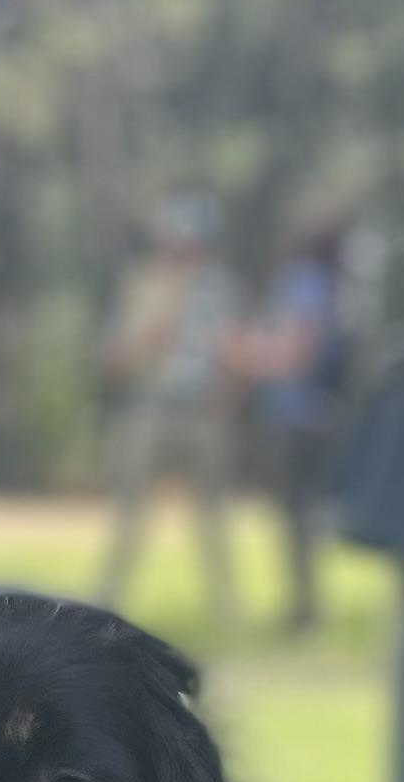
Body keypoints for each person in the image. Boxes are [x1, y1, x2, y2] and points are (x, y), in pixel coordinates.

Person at [98, 193, 242, 628]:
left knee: (213, 513)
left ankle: (225, 604)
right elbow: (111, 357)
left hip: (203, 411)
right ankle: (107, 597)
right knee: (130, 512)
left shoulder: (223, 289)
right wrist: (147, 337)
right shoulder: (140, 285)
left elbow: (237, 349)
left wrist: (230, 396)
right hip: (150, 408)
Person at [235, 206, 352, 635]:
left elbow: (294, 355)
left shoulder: (302, 282)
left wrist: (246, 354)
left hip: (293, 417)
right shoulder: (333, 285)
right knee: (306, 515)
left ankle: (303, 609)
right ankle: (306, 604)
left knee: (295, 516)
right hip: (320, 414)